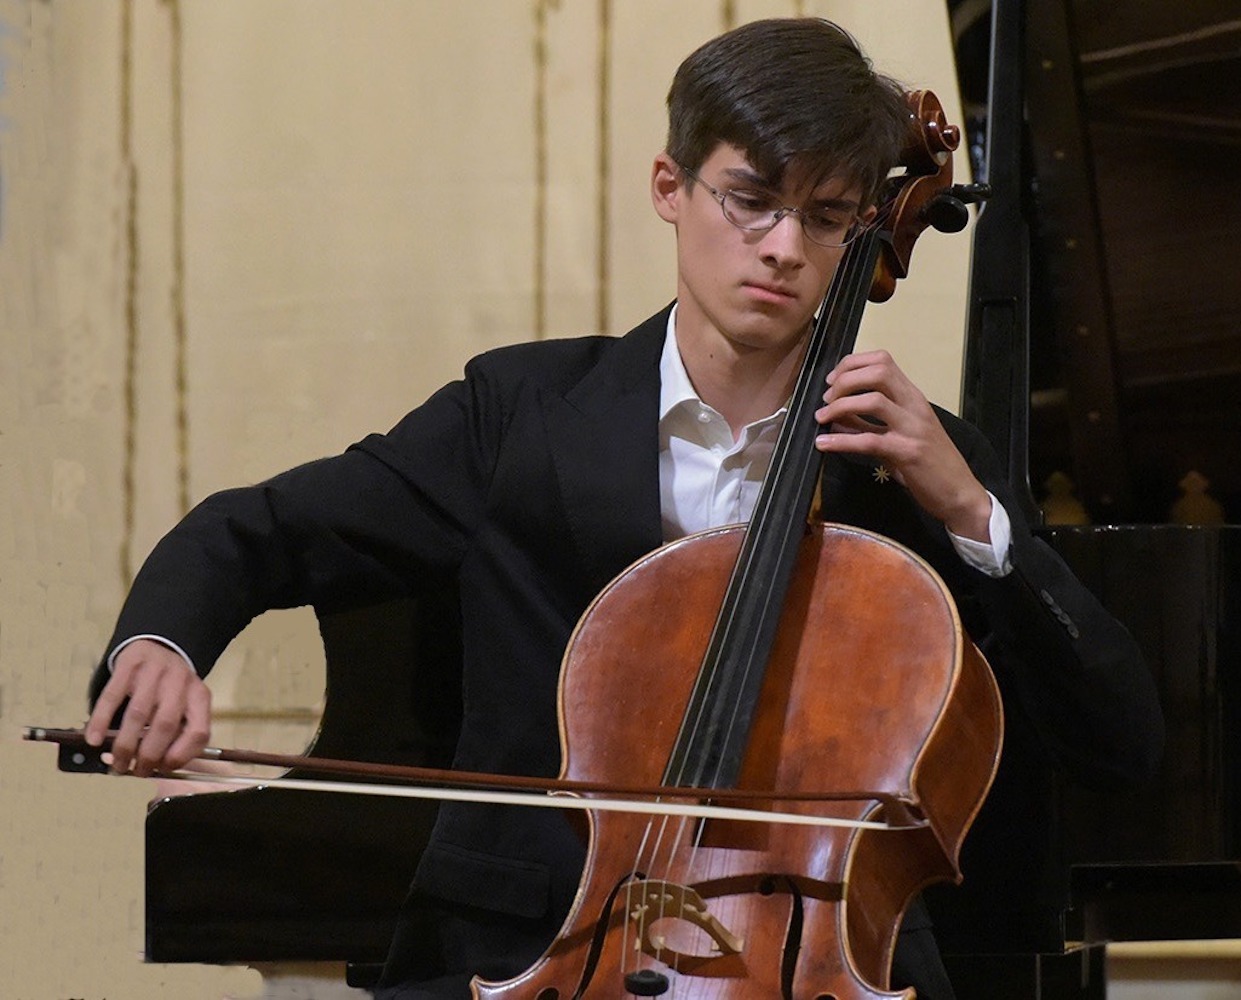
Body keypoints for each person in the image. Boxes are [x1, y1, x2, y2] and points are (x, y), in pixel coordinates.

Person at [84, 17, 1163, 1000]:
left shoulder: (909, 464)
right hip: (526, 953)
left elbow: (1119, 741)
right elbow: (263, 531)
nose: (784, 248)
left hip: (819, 961)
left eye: (828, 216)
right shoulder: (519, 412)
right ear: (668, 186)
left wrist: (969, 511)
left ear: (862, 231)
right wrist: (161, 643)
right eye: (750, 199)